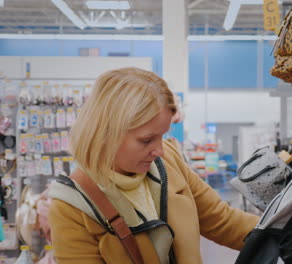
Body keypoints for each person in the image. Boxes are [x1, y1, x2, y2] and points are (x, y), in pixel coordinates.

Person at [48, 67, 259, 264]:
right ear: (106, 133)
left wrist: (285, 234)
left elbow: (223, 222)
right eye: (146, 140)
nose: (159, 150)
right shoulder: (71, 206)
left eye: (162, 136)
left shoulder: (168, 162)